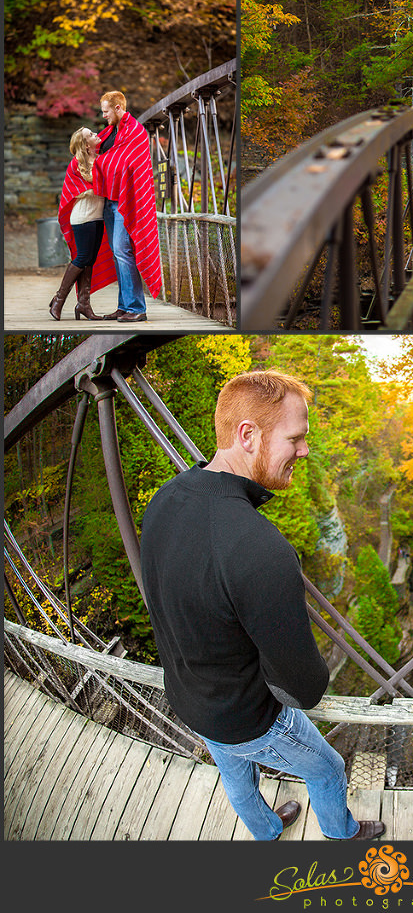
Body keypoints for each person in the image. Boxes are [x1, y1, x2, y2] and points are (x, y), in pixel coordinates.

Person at [140, 370, 386, 842]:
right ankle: (342, 834)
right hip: (246, 714)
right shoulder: (259, 548)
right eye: (296, 438)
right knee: (329, 769)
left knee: (235, 777)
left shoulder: (165, 500)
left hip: (190, 700)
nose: (305, 450)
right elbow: (306, 686)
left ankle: (268, 833)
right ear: (248, 435)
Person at [92, 90, 163, 322]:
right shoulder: (109, 133)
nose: (104, 116)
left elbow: (132, 168)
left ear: (118, 108)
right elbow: (104, 159)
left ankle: (137, 308)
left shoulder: (136, 133)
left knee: (123, 250)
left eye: (106, 111)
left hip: (127, 201)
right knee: (116, 252)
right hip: (109, 201)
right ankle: (123, 306)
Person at [51, 127, 117, 320]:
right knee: (82, 258)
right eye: (91, 135)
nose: (97, 135)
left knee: (89, 261)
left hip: (97, 218)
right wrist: (100, 188)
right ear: (87, 144)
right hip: (82, 218)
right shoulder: (77, 164)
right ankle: (58, 299)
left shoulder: (102, 160)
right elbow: (82, 190)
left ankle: (83, 304)